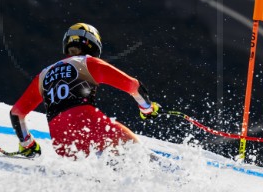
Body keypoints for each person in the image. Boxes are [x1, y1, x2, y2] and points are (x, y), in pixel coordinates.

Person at [9, 22, 160, 158]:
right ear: (94, 44)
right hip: (90, 125)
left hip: (62, 142)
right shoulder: (88, 63)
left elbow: (16, 113)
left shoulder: (43, 75)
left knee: (107, 164)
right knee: (140, 155)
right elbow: (133, 85)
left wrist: (27, 144)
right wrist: (147, 108)